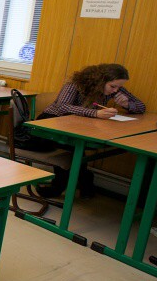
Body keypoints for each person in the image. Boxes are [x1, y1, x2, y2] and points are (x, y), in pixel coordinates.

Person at [35, 63, 146, 198]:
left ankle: (77, 184)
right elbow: (62, 107)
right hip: (51, 121)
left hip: (77, 125)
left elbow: (141, 106)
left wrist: (127, 104)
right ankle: (74, 183)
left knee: (76, 147)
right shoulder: (75, 85)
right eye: (113, 87)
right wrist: (95, 113)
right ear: (101, 81)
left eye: (119, 87)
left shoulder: (115, 89)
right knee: (73, 148)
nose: (116, 91)